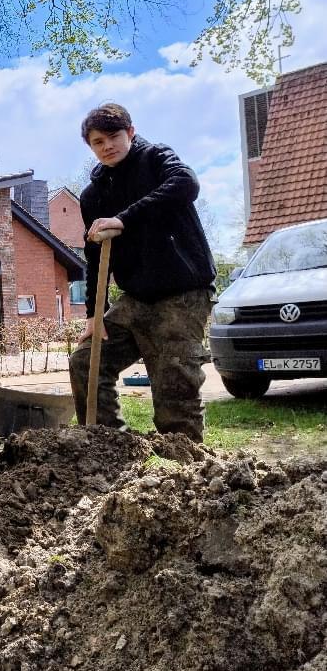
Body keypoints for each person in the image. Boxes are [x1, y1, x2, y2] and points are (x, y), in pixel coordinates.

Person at [69, 103, 216, 443]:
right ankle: (109, 448)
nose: (107, 146)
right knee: (86, 363)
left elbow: (187, 184)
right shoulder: (93, 194)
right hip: (135, 299)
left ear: (131, 133)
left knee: (173, 384)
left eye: (114, 136)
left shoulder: (157, 159)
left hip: (183, 294)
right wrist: (94, 314)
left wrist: (125, 218)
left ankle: (184, 468)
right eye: (97, 141)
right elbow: (94, 254)